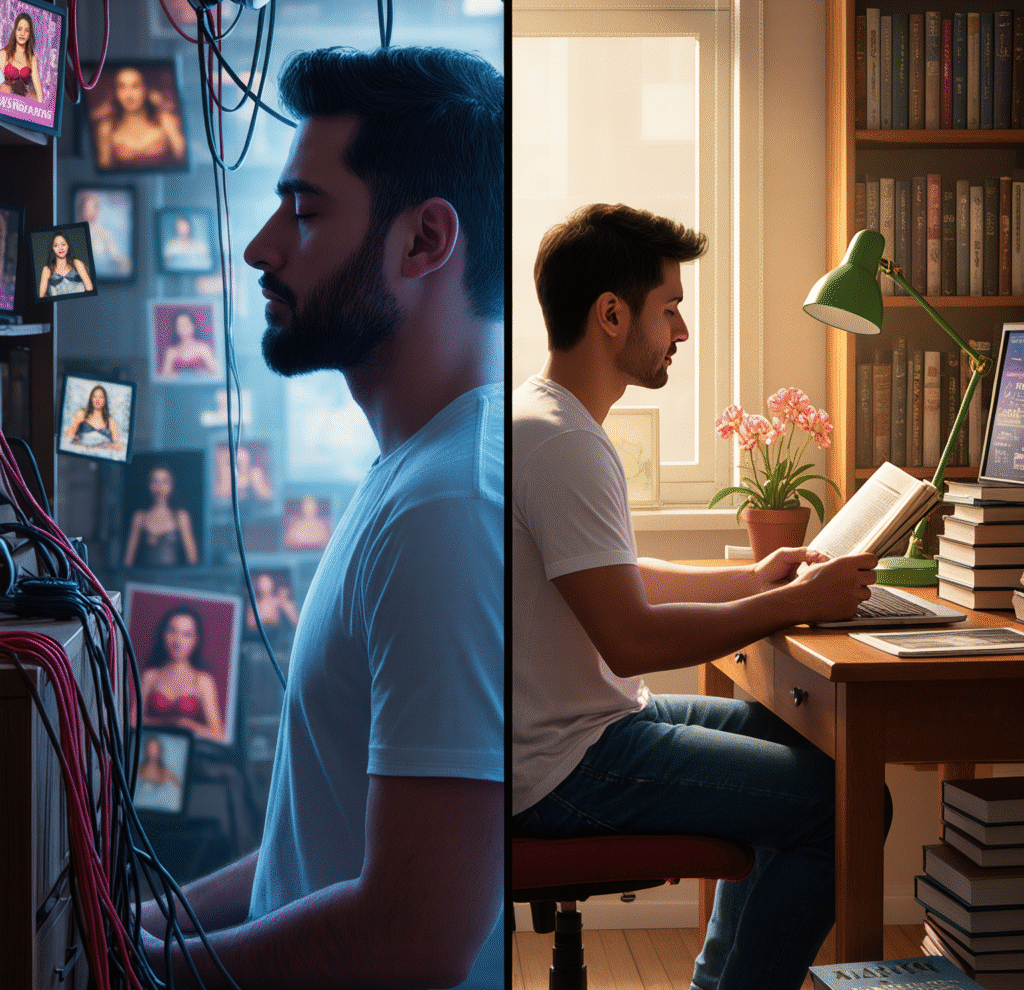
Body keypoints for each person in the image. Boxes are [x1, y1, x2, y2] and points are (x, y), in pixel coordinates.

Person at [138, 44, 503, 990]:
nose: (262, 247)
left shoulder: (449, 508)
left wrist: (148, 976)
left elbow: (415, 936)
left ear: (423, 241)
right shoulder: (413, 475)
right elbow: (323, 847)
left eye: (303, 212)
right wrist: (143, 928)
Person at [512, 203, 887, 990]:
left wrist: (756, 578)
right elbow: (632, 641)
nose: (681, 330)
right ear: (611, 315)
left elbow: (617, 577)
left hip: (591, 726)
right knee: (845, 805)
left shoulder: (544, 417)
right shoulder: (564, 442)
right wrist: (793, 603)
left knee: (817, 745)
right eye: (670, 308)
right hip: (566, 766)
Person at [137, 605, 225, 744]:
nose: (177, 641)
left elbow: (218, 735)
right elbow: (132, 722)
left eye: (186, 634)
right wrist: (168, 723)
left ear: (196, 640)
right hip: (149, 746)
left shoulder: (203, 680)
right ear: (163, 634)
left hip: (190, 751)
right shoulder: (150, 676)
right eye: (172, 631)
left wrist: (187, 724)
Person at [93, 65, 186, 170]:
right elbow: (103, 170)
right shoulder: (107, 128)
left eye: (135, 86)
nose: (129, 94)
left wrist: (162, 108)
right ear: (115, 92)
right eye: (122, 87)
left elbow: (184, 159)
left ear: (146, 89)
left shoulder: (165, 120)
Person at [123, 463, 200, 568]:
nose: (159, 487)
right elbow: (128, 560)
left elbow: (193, 559)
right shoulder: (140, 517)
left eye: (164, 482)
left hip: (174, 577)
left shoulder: (181, 517)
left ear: (171, 485)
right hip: (145, 577)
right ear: (149, 485)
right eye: (155, 481)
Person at [75, 190, 131, 278]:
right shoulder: (75, 234)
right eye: (88, 207)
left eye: (96, 207)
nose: (96, 210)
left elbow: (119, 259)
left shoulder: (104, 234)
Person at [159, 310, 219, 378]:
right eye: (180, 325)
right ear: (176, 329)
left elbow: (217, 373)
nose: (183, 328)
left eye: (186, 324)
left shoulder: (203, 348)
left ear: (193, 326)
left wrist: (201, 374)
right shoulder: (171, 351)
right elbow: (163, 377)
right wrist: (179, 376)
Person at [63, 384, 123, 453]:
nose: (97, 400)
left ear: (105, 400)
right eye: (94, 396)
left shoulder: (110, 421)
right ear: (91, 399)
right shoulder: (82, 413)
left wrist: (98, 447)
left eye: (101, 397)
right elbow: (68, 437)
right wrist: (77, 422)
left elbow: (119, 447)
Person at [0, 13, 43, 103]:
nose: (22, 33)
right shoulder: (3, 54)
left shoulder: (32, 59)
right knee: (4, 88)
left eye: (26, 30)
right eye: (19, 29)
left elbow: (39, 93)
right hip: (4, 101)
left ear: (29, 34)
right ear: (15, 31)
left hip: (23, 103)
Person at [135, 735, 184, 813]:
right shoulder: (139, 771)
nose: (153, 751)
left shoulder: (166, 773)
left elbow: (180, 790)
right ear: (146, 750)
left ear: (160, 751)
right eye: (151, 748)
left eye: (155, 748)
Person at [39, 231, 93, 298]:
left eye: (63, 244)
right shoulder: (47, 270)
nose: (60, 248)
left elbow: (90, 289)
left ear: (68, 246)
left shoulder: (77, 264)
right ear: (52, 248)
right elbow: (41, 297)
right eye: (56, 245)